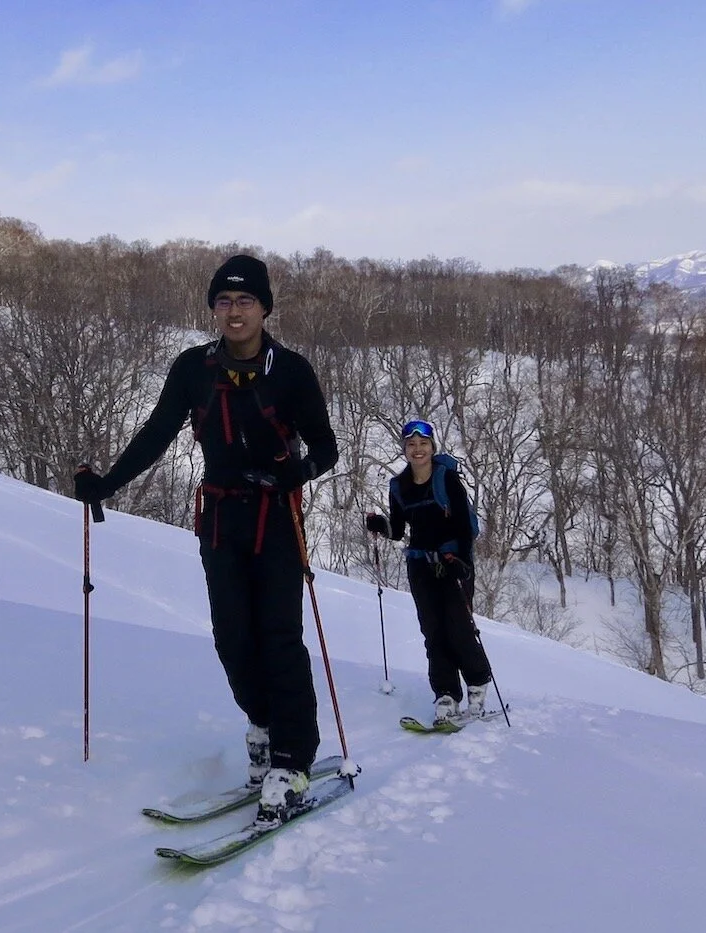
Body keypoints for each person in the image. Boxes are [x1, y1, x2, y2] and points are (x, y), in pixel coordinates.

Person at [73, 254, 339, 824]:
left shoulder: (290, 371)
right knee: (231, 638)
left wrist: (298, 471)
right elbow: (157, 434)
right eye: (224, 301)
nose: (234, 311)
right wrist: (107, 484)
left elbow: (327, 449)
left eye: (245, 301)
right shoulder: (194, 367)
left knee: (279, 637)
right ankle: (264, 726)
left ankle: (293, 760)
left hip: (276, 517)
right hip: (220, 519)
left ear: (265, 308)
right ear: (213, 309)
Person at [365, 419, 493, 725]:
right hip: (420, 563)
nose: (417, 449)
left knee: (459, 628)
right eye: (411, 444)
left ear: (432, 447)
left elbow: (464, 525)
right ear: (405, 450)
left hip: (452, 560)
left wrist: (462, 561)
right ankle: (446, 694)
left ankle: (477, 686)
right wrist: (380, 525)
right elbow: (398, 530)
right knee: (433, 632)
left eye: (423, 444)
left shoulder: (446, 479)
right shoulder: (398, 486)